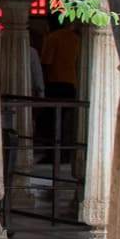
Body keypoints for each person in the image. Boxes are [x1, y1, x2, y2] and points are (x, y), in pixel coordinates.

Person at [39, 11, 82, 157]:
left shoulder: (52, 38)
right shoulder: (75, 38)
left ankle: (52, 155)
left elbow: (46, 63)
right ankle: (65, 154)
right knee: (65, 120)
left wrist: (42, 86)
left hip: (55, 83)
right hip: (71, 83)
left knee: (51, 121)